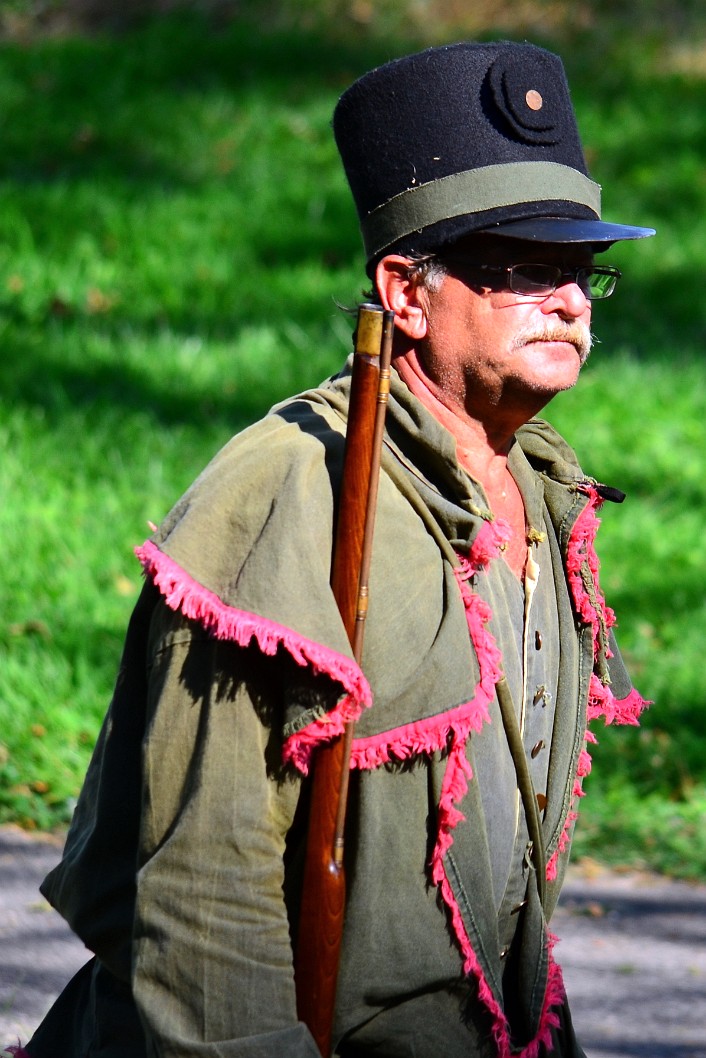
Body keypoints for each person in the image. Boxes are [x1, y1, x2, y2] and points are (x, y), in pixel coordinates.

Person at [18, 40, 654, 1058]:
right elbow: (203, 875)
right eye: (526, 270)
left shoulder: (545, 488)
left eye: (581, 272)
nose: (571, 302)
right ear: (403, 291)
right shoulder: (286, 491)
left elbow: (508, 888)